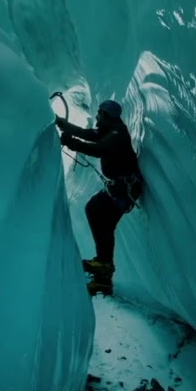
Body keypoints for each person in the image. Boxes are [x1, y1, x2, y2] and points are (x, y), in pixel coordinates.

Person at [56, 99, 144, 288]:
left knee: (99, 216)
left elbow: (99, 149)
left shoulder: (116, 134)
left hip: (124, 190)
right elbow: (89, 134)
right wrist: (63, 125)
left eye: (99, 113)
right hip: (118, 188)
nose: (96, 116)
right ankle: (103, 272)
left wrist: (72, 143)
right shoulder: (110, 130)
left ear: (105, 115)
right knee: (96, 213)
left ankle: (103, 267)